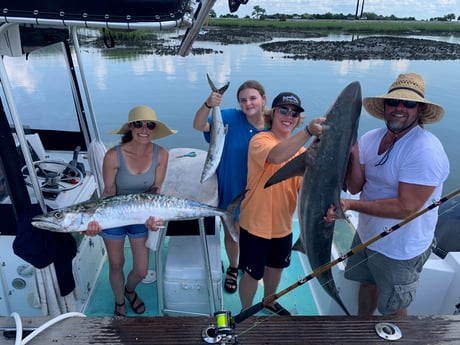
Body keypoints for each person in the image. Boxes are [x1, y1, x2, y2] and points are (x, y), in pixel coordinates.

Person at [334, 73, 450, 317]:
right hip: (367, 235)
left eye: (408, 104)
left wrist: (350, 205)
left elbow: (405, 207)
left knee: (394, 306)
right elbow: (355, 186)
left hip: (401, 248)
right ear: (384, 106)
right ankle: (361, 329)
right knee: (366, 284)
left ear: (419, 110)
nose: (399, 108)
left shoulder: (424, 150)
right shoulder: (370, 138)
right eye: (394, 102)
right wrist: (351, 152)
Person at [85, 105, 177, 316]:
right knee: (116, 263)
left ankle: (130, 290)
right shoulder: (113, 156)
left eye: (150, 125)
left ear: (155, 129)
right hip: (113, 214)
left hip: (141, 216)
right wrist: (95, 222)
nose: (144, 129)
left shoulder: (161, 154)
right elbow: (108, 192)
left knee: (142, 270)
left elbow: (155, 190)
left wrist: (153, 218)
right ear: (130, 127)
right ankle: (119, 302)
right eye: (138, 124)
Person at [238, 92, 325, 315]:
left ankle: (268, 300)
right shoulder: (260, 140)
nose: (289, 116)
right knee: (252, 273)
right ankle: (246, 310)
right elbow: (276, 156)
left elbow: (305, 190)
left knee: (276, 268)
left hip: (283, 224)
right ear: (272, 114)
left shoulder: (304, 152)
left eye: (294, 113)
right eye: (283, 110)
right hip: (255, 223)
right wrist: (307, 132)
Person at [193, 80, 267, 294]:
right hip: (232, 188)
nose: (248, 103)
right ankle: (234, 267)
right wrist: (208, 104)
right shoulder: (230, 117)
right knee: (232, 233)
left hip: (260, 193)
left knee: (254, 233)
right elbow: (199, 126)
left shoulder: (274, 124)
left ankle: (249, 264)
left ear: (264, 99)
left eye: (253, 98)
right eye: (243, 100)